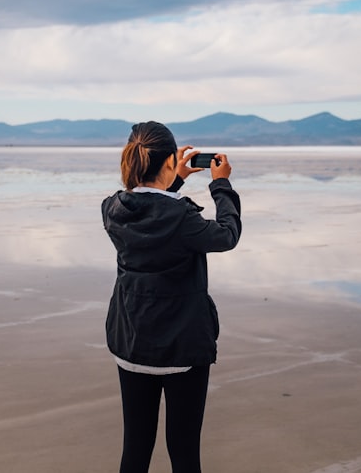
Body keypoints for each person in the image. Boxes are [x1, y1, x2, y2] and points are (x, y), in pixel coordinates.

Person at [102, 121, 242, 473]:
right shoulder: (183, 220)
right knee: (183, 452)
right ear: (168, 161)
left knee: (135, 447)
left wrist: (174, 180)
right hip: (181, 347)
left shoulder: (113, 210)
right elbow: (226, 235)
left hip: (132, 343)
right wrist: (221, 184)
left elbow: (150, 208)